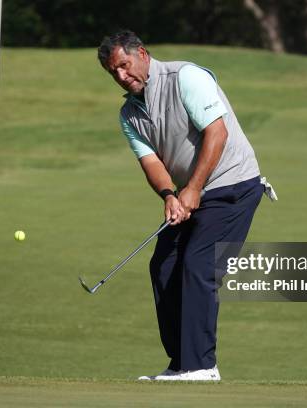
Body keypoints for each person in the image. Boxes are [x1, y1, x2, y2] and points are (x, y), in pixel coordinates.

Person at [97, 30, 276, 381]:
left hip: (233, 185)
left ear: (142, 54)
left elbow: (217, 132)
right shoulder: (129, 114)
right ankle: (181, 363)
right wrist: (169, 195)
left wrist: (192, 188)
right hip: (189, 194)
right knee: (163, 265)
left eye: (124, 65)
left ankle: (202, 366)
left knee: (199, 264)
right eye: (112, 71)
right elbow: (151, 163)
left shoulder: (185, 77)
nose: (120, 75)